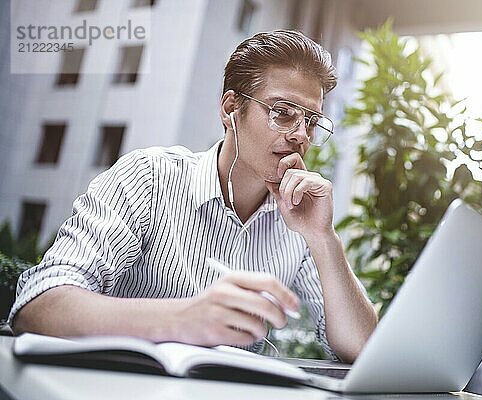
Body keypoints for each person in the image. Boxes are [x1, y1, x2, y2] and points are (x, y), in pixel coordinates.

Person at [9, 30, 378, 362]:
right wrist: (186, 319)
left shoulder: (301, 216)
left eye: (311, 121)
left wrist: (323, 238)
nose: (301, 135)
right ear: (231, 109)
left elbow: (363, 349)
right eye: (283, 113)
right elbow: (39, 304)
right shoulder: (149, 178)